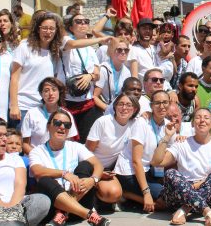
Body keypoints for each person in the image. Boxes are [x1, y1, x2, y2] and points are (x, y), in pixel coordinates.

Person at [9, 12, 106, 128]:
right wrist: (14, 105)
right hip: (24, 106)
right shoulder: (25, 47)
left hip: (46, 106)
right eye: (44, 28)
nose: (48, 32)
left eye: (52, 29)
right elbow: (14, 78)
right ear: (38, 29)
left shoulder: (54, 51)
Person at [29, 110, 109, 226]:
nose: (62, 127)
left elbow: (98, 165)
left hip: (77, 203)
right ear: (48, 126)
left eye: (67, 125)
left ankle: (63, 212)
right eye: (57, 123)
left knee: (85, 165)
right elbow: (37, 171)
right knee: (44, 180)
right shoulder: (37, 151)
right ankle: (89, 215)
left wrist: (93, 180)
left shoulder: (76, 147)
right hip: (54, 206)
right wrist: (64, 173)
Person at [151, 108, 211, 226]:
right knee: (170, 173)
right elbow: (157, 162)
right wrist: (167, 136)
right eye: (198, 117)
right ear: (192, 123)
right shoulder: (181, 143)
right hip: (180, 194)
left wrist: (195, 187)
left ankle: (185, 209)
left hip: (208, 193)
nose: (202, 120)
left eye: (206, 118)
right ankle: (206, 211)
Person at [114, 90, 172, 212]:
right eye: (157, 103)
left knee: (170, 197)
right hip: (129, 172)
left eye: (165, 102)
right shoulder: (142, 123)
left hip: (149, 171)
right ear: (151, 106)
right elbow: (136, 161)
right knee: (163, 203)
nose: (161, 106)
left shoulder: (168, 125)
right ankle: (125, 194)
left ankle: (134, 198)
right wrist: (146, 193)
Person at [86, 93, 140, 205]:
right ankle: (91, 197)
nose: (124, 108)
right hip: (91, 166)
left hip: (109, 170)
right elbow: (87, 152)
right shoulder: (103, 122)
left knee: (113, 194)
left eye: (128, 105)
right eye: (121, 104)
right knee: (109, 193)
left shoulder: (135, 124)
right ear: (115, 107)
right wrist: (98, 172)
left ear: (134, 109)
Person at [59, 11, 106, 141]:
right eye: (78, 22)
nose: (83, 24)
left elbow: (97, 74)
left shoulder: (91, 50)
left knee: (87, 139)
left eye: (86, 22)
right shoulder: (65, 41)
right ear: (71, 27)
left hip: (86, 102)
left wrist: (89, 76)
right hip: (67, 101)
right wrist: (100, 39)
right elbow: (73, 44)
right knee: (67, 139)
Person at [21, 77, 79, 154]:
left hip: (60, 157)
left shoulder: (66, 115)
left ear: (59, 92)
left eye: (54, 90)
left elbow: (69, 141)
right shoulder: (32, 114)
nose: (50, 94)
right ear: (41, 94)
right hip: (38, 157)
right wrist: (38, 157)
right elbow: (25, 144)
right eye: (46, 91)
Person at [128, 18, 174, 88]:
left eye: (150, 29)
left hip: (164, 88)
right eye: (144, 28)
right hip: (146, 91)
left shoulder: (156, 48)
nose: (147, 31)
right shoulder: (134, 49)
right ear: (138, 31)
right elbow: (135, 77)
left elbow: (170, 72)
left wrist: (171, 58)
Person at [93, 36, 131, 113]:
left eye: (126, 50)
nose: (123, 52)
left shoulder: (127, 72)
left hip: (118, 110)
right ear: (111, 51)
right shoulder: (103, 69)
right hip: (103, 110)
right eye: (119, 50)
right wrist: (109, 110)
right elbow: (94, 97)